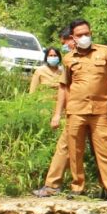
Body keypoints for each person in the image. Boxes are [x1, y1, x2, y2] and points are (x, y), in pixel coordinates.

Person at [52, 19, 107, 205]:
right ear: (73, 38)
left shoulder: (104, 51)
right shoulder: (68, 58)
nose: (84, 37)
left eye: (87, 33)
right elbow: (64, 86)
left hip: (99, 110)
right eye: (80, 35)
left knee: (105, 151)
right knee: (75, 151)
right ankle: (78, 187)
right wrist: (59, 113)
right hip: (76, 110)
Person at [32, 28, 75, 197]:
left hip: (79, 110)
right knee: (63, 147)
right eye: (50, 55)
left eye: (55, 55)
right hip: (55, 109)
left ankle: (104, 187)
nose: (53, 57)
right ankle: (52, 185)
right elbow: (34, 93)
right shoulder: (43, 71)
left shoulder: (66, 67)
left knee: (96, 150)